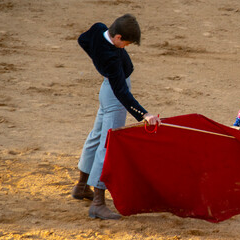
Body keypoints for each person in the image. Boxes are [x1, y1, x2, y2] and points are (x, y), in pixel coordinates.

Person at [71, 13, 161, 220]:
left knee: (96, 137)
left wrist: (98, 60)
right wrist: (144, 114)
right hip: (113, 95)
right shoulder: (110, 59)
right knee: (107, 144)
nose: (126, 47)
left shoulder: (98, 28)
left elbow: (81, 40)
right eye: (126, 44)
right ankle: (98, 203)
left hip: (107, 91)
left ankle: (81, 186)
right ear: (118, 37)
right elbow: (122, 93)